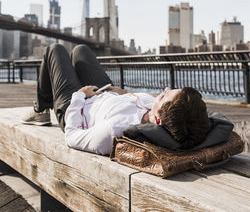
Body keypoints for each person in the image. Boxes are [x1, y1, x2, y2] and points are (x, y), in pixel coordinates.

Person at [21, 44, 210, 155]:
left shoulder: (113, 131)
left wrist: (80, 96)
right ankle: (45, 107)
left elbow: (71, 136)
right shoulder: (157, 112)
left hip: (76, 107)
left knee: (55, 49)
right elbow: (134, 101)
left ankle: (40, 111)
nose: (165, 89)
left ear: (158, 120)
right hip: (105, 94)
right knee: (80, 50)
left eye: (164, 95)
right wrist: (121, 92)